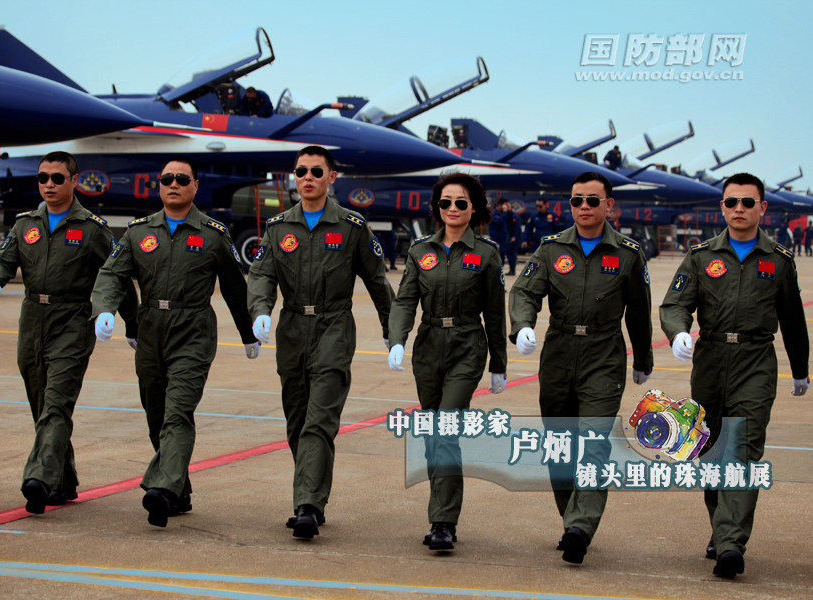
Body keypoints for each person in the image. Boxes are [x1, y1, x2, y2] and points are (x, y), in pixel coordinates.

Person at [91, 157, 260, 527]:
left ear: (195, 186)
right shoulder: (138, 232)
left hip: (193, 329)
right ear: (159, 184)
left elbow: (235, 287)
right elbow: (112, 275)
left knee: (178, 411)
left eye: (182, 179)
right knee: (156, 415)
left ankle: (162, 489)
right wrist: (104, 309)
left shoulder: (213, 233)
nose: (174, 184)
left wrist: (248, 333)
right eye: (167, 178)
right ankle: (179, 488)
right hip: (151, 328)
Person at [659, 172, 809, 580]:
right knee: (709, 450)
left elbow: (793, 319)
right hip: (710, 360)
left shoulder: (779, 260)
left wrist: (800, 369)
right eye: (731, 202)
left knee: (742, 449)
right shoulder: (701, 256)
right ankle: (722, 527)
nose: (739, 209)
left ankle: (730, 544)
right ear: (721, 207)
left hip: (755, 361)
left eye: (747, 202)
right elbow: (675, 304)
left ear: (763, 208)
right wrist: (677, 333)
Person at [247, 145, 394, 539]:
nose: (307, 178)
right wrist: (260, 310)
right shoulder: (278, 227)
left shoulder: (351, 226)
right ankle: (311, 493)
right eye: (301, 172)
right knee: (297, 420)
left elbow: (377, 280)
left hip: (334, 327)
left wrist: (392, 329)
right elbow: (261, 275)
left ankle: (307, 505)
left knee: (319, 419)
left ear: (332, 177)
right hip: (292, 328)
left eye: (315, 171)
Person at [0, 151, 138, 513]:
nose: (49, 185)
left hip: (73, 320)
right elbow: (1, 260)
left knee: (56, 402)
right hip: (32, 319)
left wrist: (129, 320)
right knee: (42, 404)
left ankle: (39, 478)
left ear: (74, 181)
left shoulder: (92, 228)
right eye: (43, 178)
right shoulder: (26, 224)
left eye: (57, 178)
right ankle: (63, 481)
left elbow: (116, 275)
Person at [509, 171, 653, 565]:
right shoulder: (551, 249)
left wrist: (643, 357)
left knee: (594, 442)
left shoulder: (628, 253)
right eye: (577, 200)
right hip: (558, 353)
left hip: (603, 355)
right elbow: (524, 291)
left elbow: (639, 311)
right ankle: (571, 519)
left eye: (592, 200)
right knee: (559, 446)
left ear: (609, 205)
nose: (584, 207)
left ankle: (580, 525)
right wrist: (522, 325)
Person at [387, 172, 507, 551]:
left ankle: (443, 522)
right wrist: (397, 339)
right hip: (428, 345)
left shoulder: (487, 254)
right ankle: (441, 508)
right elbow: (405, 300)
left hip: (467, 346)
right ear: (437, 208)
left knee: (446, 428)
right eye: (445, 203)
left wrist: (499, 363)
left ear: (473, 208)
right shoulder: (419, 251)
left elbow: (495, 313)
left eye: (460, 203)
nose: (452, 209)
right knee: (432, 431)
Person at [505, 202, 521, 275]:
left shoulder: (515, 216)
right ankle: (511, 270)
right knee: (508, 254)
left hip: (515, 238)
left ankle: (513, 270)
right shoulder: (505, 215)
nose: (506, 208)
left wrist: (514, 236)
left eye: (508, 206)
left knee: (513, 254)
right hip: (508, 237)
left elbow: (517, 228)